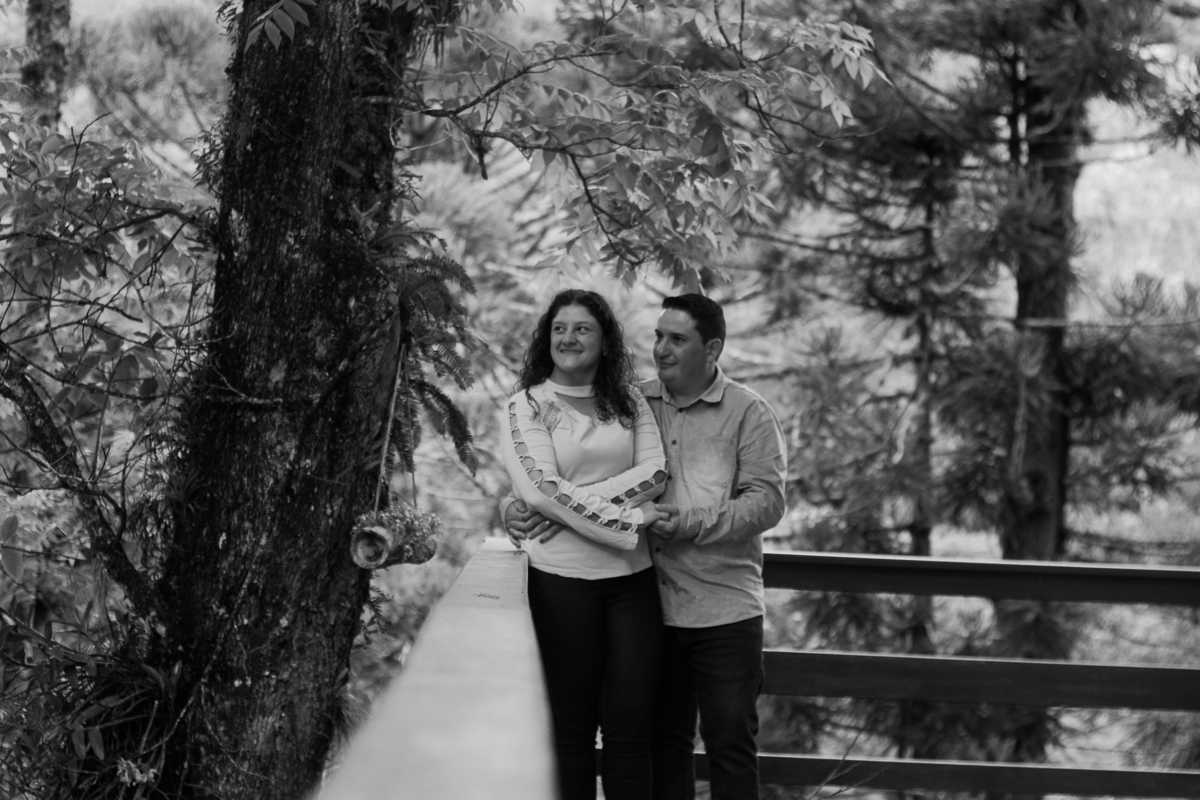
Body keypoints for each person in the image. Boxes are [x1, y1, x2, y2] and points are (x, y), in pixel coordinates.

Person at [508, 293, 787, 800]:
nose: (661, 349)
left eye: (677, 339)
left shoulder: (748, 412)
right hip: (651, 603)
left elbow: (766, 503)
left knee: (729, 744)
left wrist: (689, 522)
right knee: (663, 744)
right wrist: (519, 504)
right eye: (659, 336)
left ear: (712, 349)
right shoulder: (633, 399)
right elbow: (554, 476)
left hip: (721, 607)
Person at [498, 289, 669, 800]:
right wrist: (628, 518)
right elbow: (538, 490)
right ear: (546, 338)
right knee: (569, 730)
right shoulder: (527, 405)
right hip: (560, 584)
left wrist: (568, 509)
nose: (568, 338)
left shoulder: (630, 400)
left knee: (631, 730)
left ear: (605, 340)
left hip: (632, 582)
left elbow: (655, 473)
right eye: (559, 328)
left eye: (582, 328)